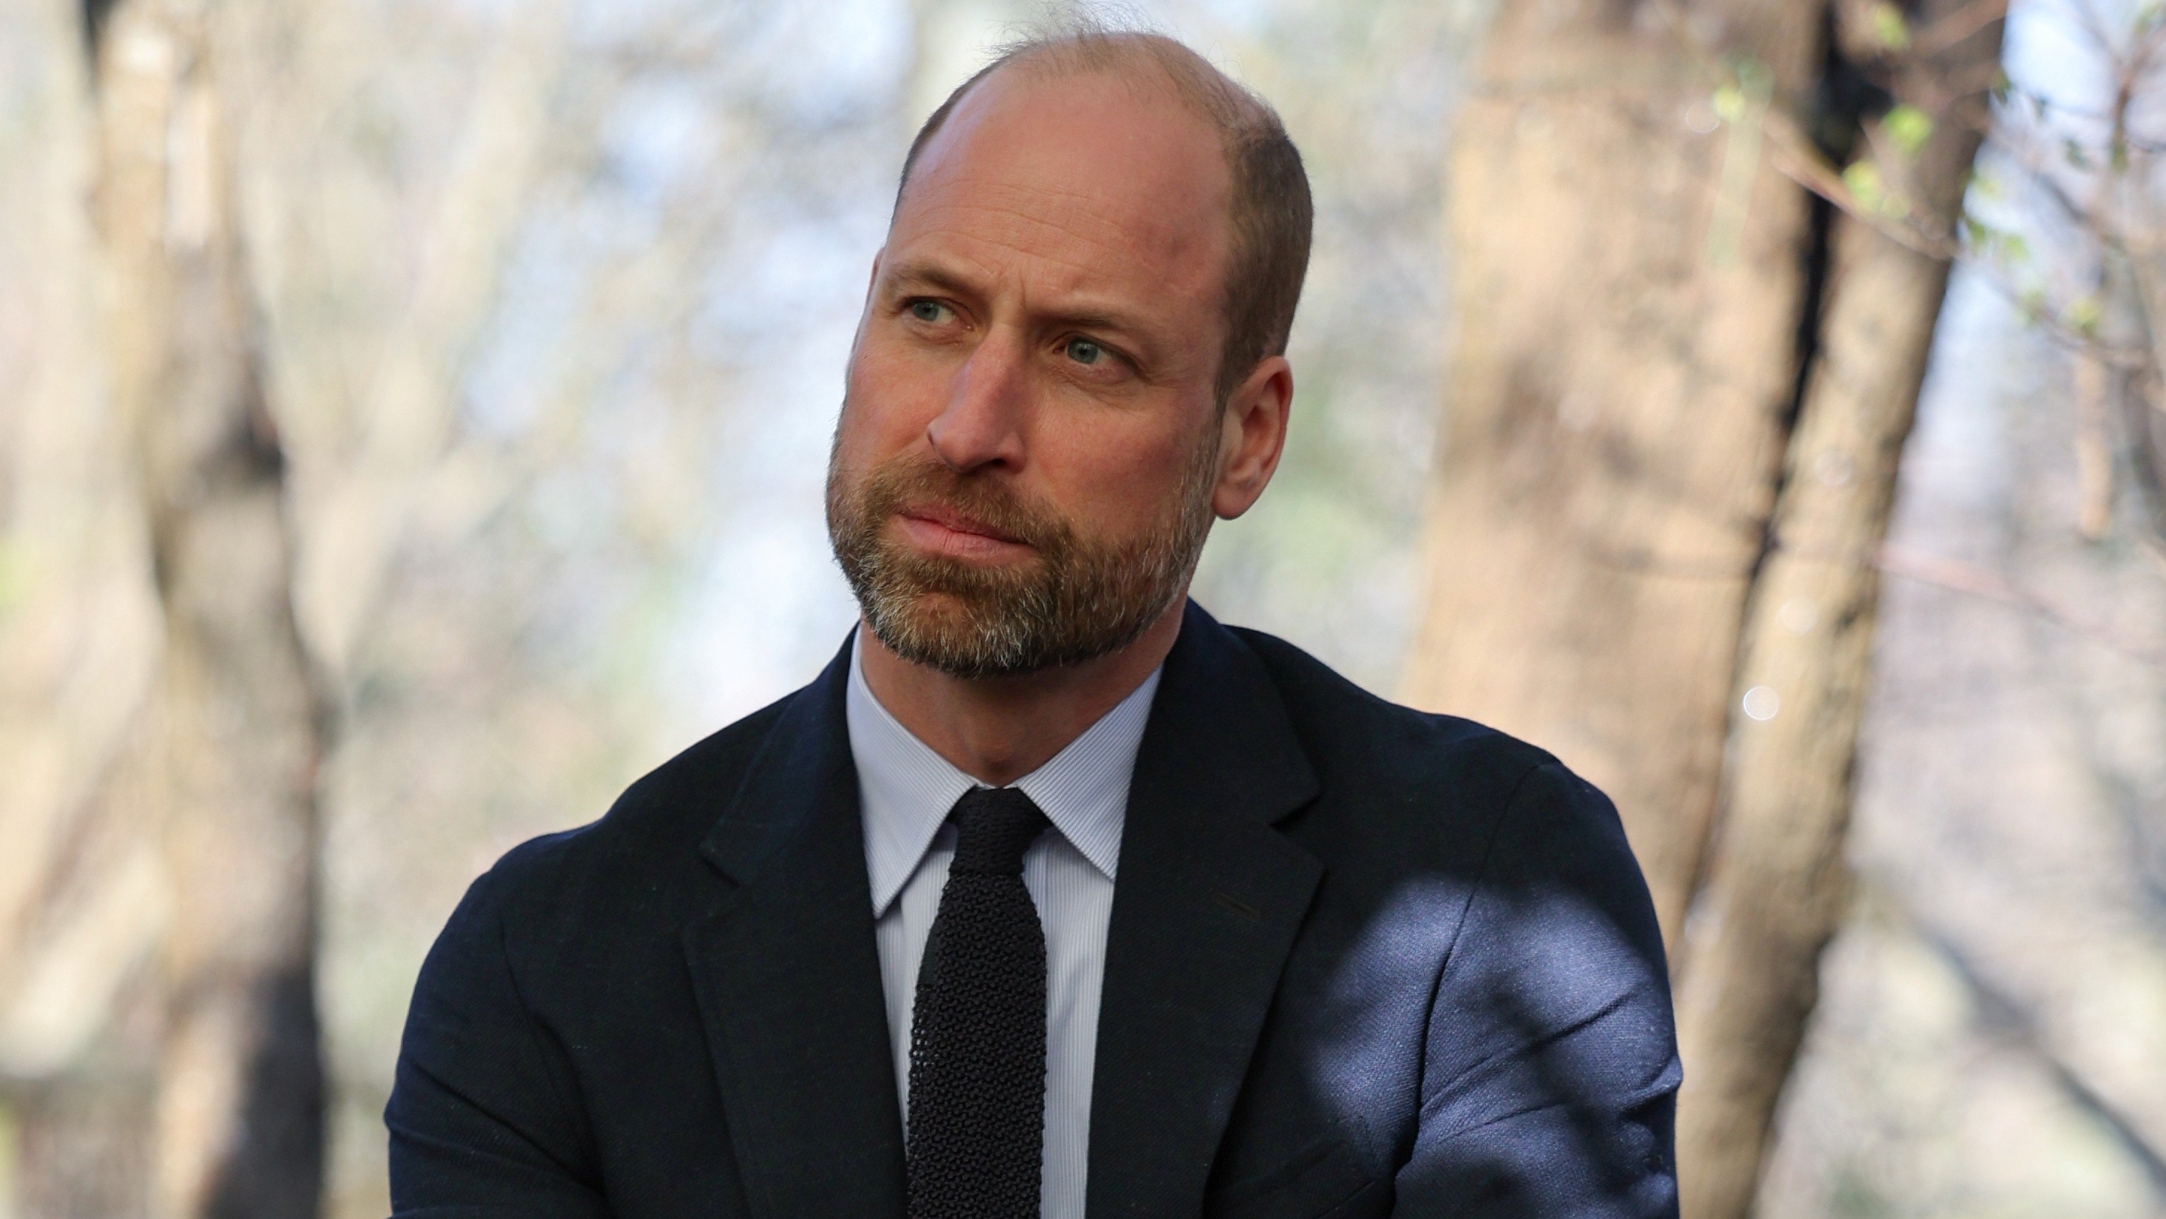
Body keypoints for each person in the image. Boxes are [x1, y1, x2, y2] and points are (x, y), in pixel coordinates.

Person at [386, 25, 1681, 1219]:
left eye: (1084, 353)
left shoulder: (1491, 891)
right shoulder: (547, 967)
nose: (967, 428)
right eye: (930, 313)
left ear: (1247, 435)